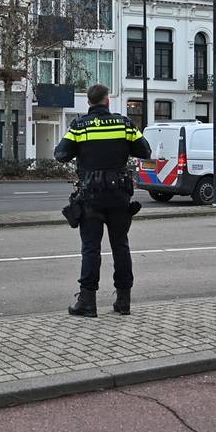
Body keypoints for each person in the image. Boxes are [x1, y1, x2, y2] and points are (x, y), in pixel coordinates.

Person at [55, 84, 151, 317]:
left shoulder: (79, 126)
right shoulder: (124, 124)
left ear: (89, 102)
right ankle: (123, 301)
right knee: (121, 246)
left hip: (91, 198)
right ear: (107, 101)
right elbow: (145, 151)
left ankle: (87, 302)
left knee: (91, 249)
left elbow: (60, 154)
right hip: (119, 196)